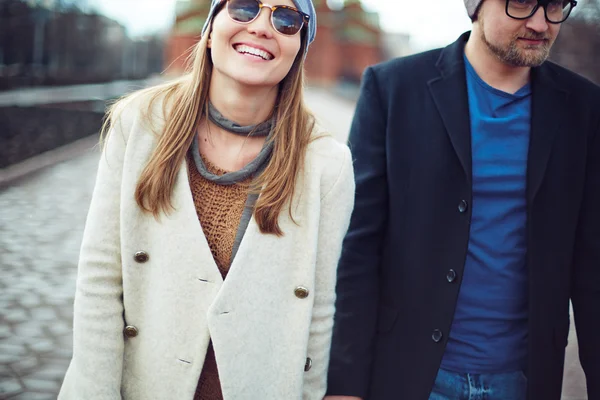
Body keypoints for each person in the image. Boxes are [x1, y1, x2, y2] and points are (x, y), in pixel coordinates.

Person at [58, 0, 355, 398]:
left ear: (299, 50)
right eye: (245, 7)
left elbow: (317, 308)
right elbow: (100, 276)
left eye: (286, 18)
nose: (262, 27)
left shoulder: (325, 163)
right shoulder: (140, 125)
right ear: (210, 28)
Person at [325, 0, 599, 399]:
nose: (541, 23)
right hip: (408, 373)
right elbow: (358, 251)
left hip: (523, 380)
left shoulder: (584, 109)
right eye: (521, 3)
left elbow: (593, 268)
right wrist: (344, 386)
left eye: (555, 5)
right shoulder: (392, 89)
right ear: (475, 5)